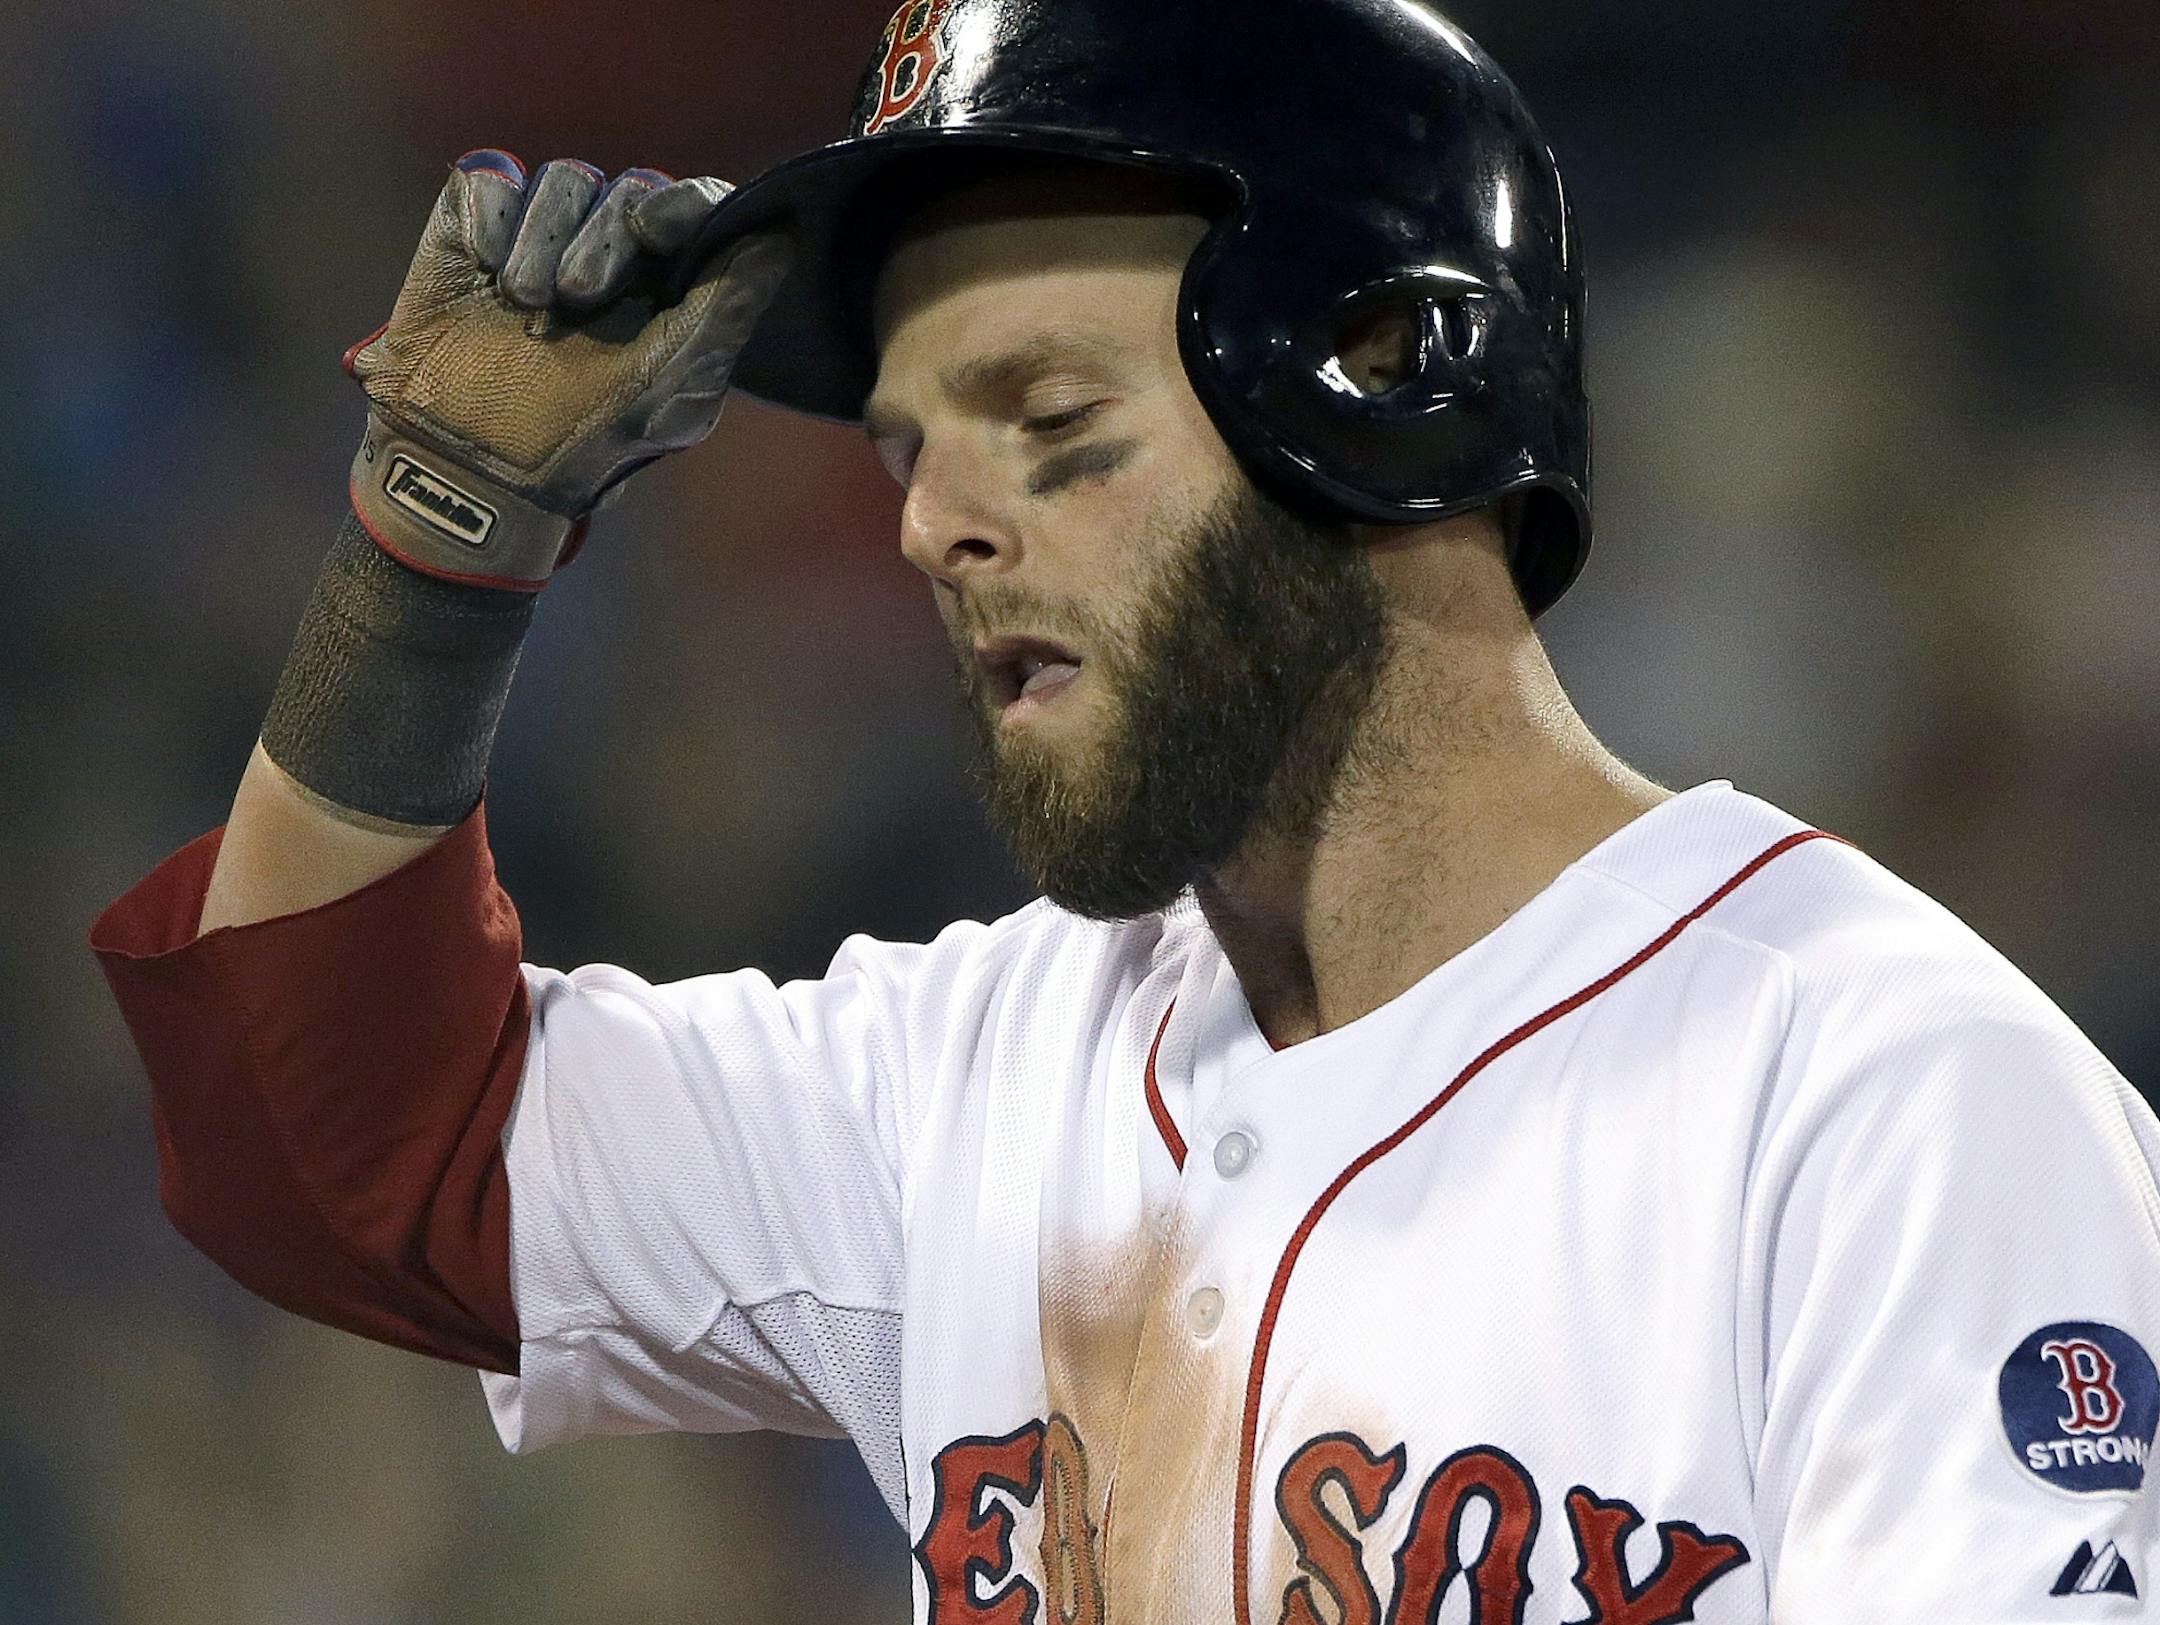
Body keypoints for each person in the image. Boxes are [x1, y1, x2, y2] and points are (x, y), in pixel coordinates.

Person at [92, 0, 2160, 1619]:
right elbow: (330, 1143)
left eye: (1048, 422)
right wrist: (435, 551)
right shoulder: (959, 1085)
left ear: (1387, 369)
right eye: (912, 447)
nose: (926, 527)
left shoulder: (1884, 1100)